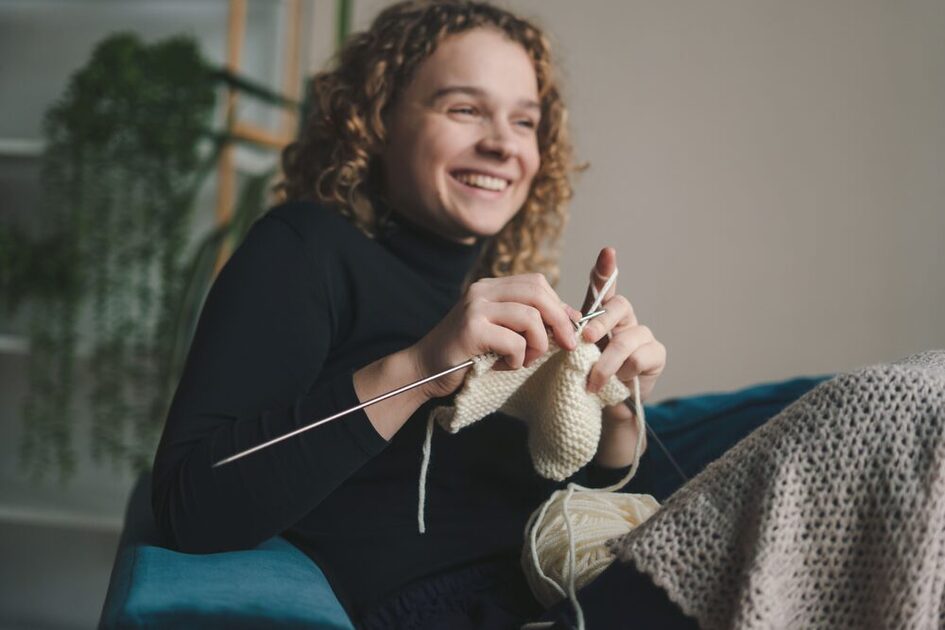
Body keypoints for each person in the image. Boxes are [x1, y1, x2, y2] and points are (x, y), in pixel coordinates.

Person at [151, 1, 687, 628]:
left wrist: (619, 413)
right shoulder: (306, 251)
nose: (501, 144)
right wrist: (420, 371)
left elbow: (565, 511)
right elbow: (190, 503)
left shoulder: (498, 301)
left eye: (524, 121)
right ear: (377, 121)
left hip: (564, 594)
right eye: (464, 109)